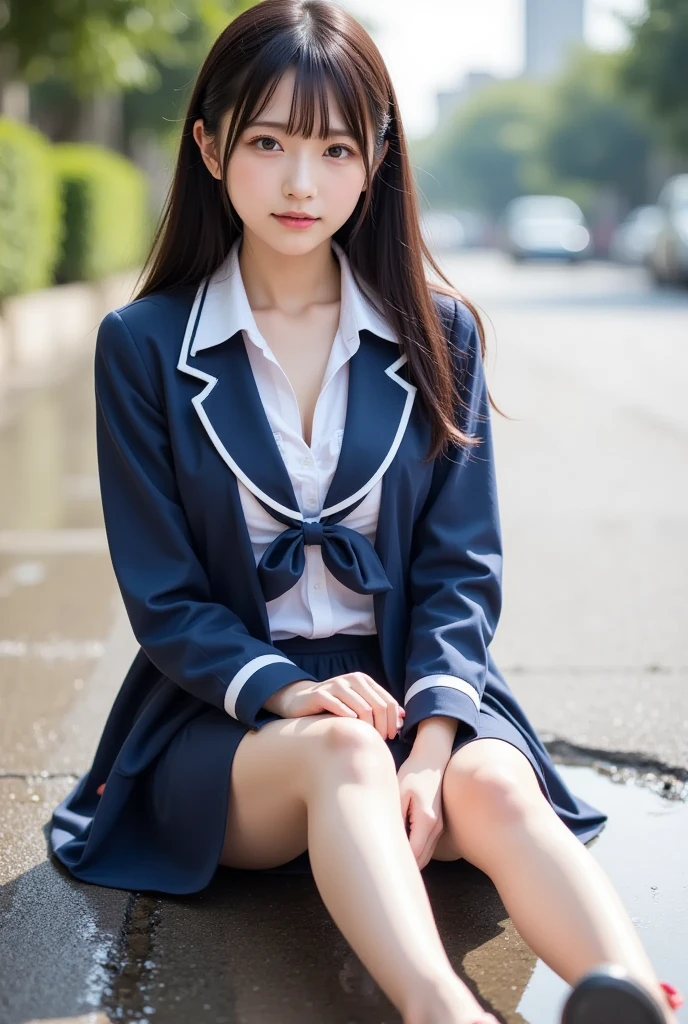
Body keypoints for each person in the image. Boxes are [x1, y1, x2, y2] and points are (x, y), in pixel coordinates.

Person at [48, 2, 684, 1022]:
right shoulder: (144, 345)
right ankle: (445, 1011)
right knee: (341, 750)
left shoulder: (437, 333)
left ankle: (633, 998)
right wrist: (287, 694)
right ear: (209, 147)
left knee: (494, 784)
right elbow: (162, 595)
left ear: (375, 158)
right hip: (231, 722)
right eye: (268, 142)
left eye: (336, 148)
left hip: (405, 690)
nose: (303, 183)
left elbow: (459, 569)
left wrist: (432, 749)